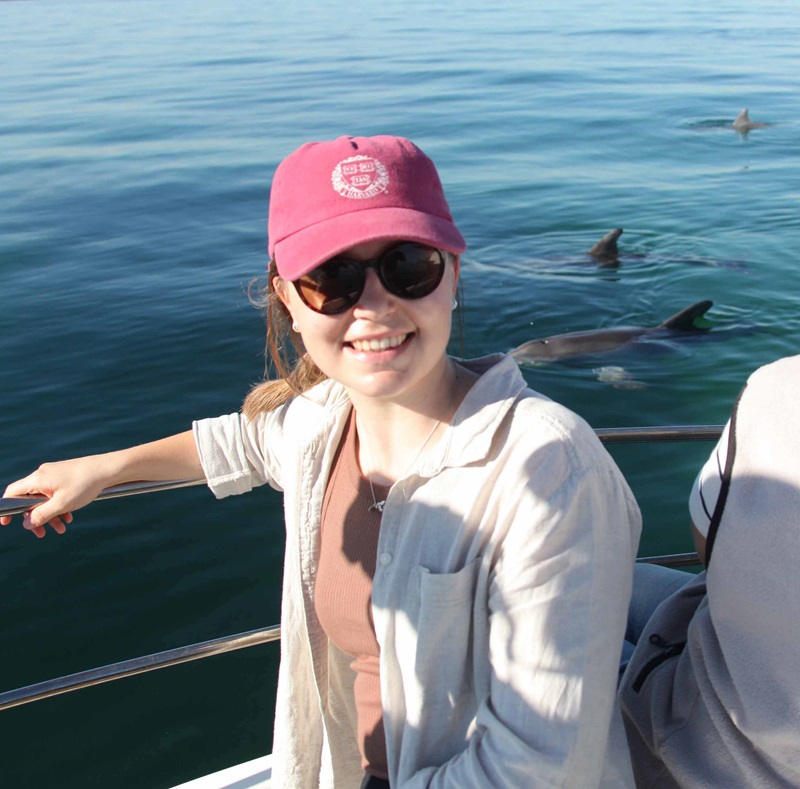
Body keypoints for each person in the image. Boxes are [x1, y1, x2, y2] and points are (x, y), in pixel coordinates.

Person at [2, 135, 641, 788]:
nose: (372, 304)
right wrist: (104, 468)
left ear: (453, 273)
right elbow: (243, 441)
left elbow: (539, 767)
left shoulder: (549, 473)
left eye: (407, 266)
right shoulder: (324, 420)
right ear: (288, 300)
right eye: (330, 278)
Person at [619, 354, 800, 787]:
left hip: (704, 752)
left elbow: (705, 543)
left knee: (578, 596)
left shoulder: (780, 388)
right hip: (706, 630)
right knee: (613, 582)